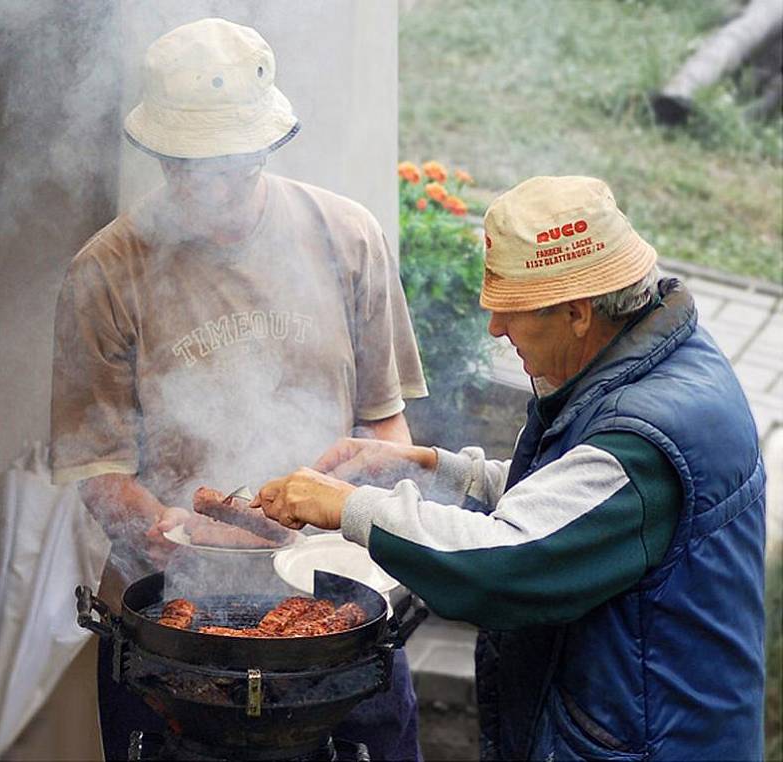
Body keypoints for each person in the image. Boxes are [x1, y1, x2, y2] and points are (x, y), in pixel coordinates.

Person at [252, 175, 767, 761]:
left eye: (512, 309)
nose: (495, 327)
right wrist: (435, 466)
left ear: (577, 313)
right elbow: (569, 504)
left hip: (651, 745)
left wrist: (346, 506)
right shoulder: (658, 361)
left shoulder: (640, 438)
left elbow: (510, 561)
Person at [50, 18, 427, 761]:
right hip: (175, 628)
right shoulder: (105, 272)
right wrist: (172, 526)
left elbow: (388, 429)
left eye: (234, 162)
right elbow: (98, 475)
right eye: (191, 165)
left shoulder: (346, 237)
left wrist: (341, 499)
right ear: (159, 151)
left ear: (266, 145)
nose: (214, 186)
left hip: (337, 613)